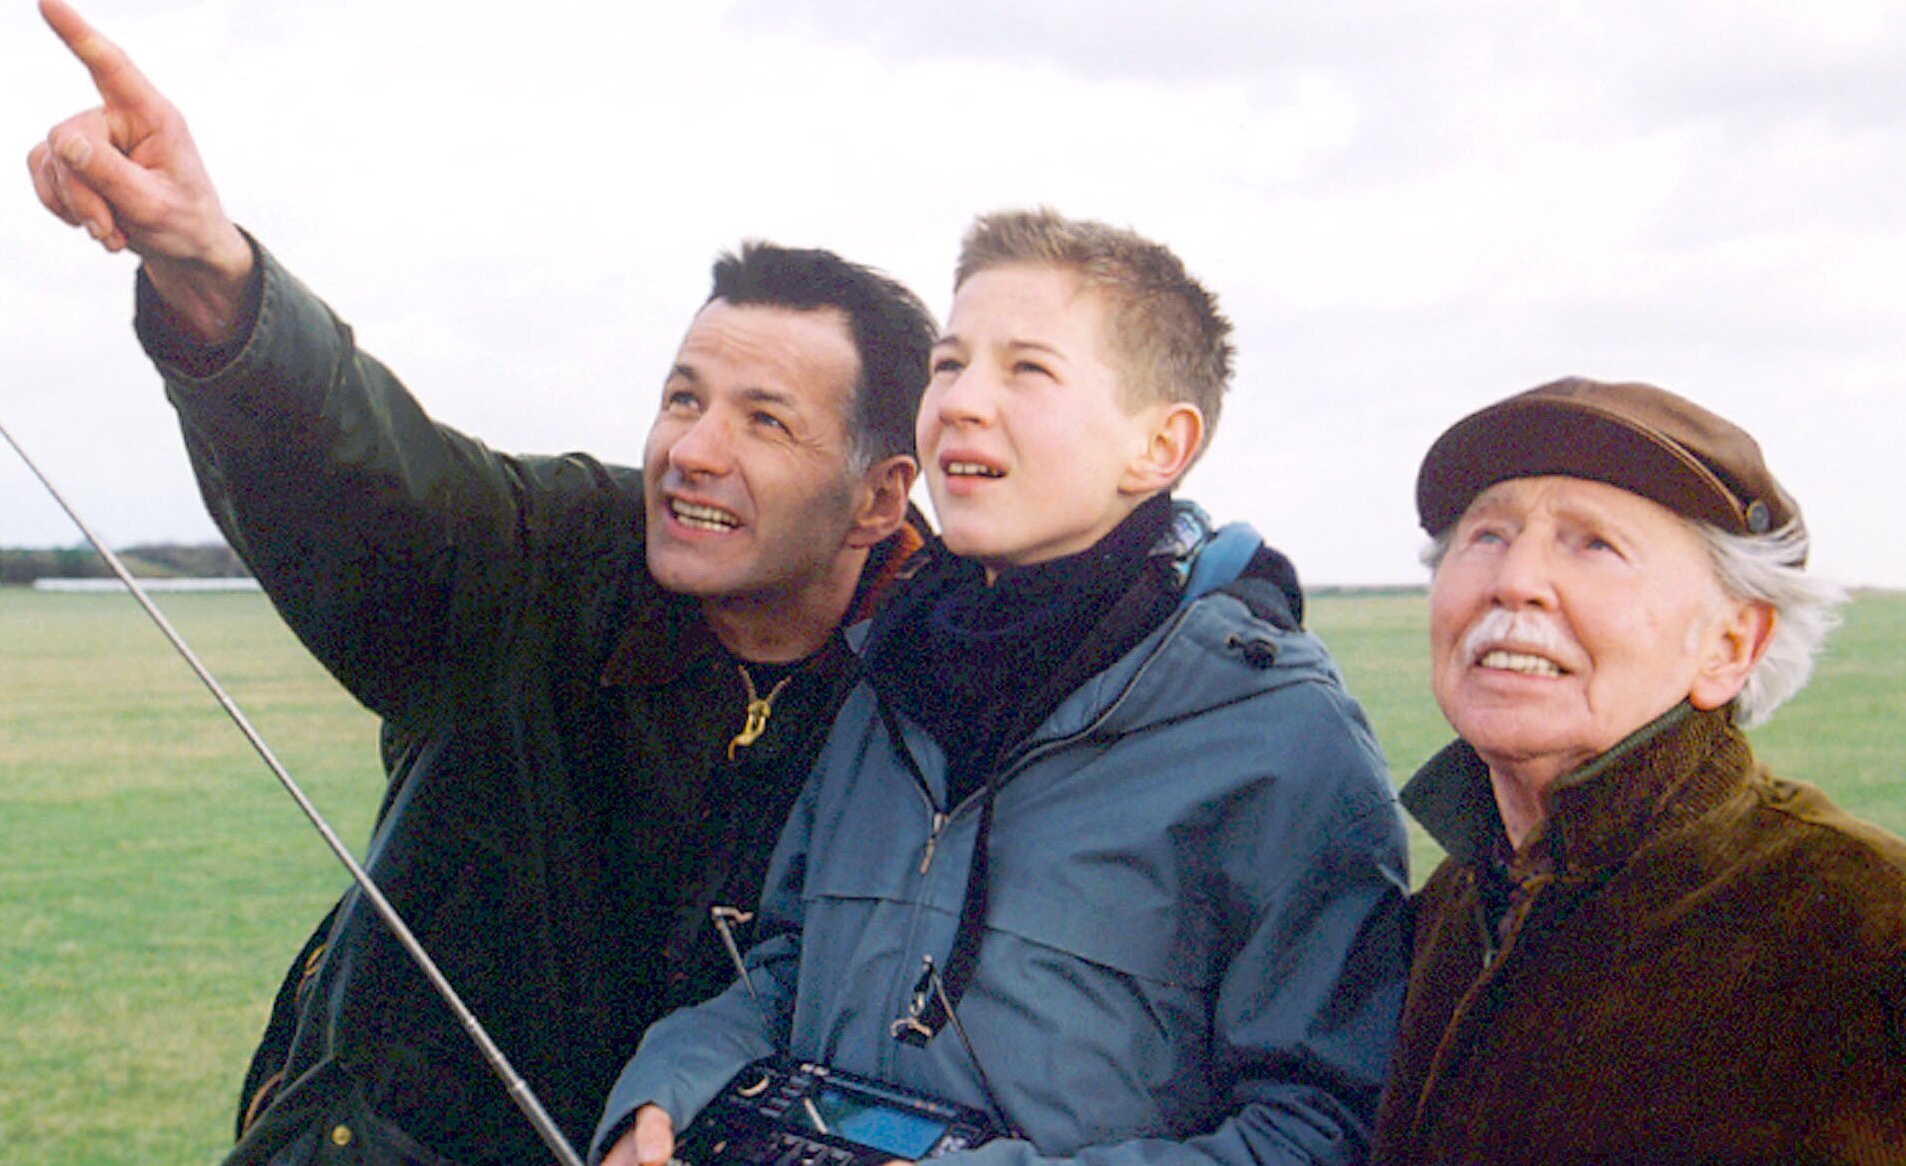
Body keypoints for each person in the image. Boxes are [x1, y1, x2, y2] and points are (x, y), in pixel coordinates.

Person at [26, 3, 938, 1163]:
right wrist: (211, 277)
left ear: (878, 496)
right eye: (683, 396)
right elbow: (372, 485)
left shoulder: (949, 694)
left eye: (765, 419)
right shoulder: (547, 557)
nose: (694, 449)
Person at [596, 208, 1413, 1166]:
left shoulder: (1277, 736)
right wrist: (668, 1091)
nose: (960, 401)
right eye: (949, 364)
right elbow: (784, 967)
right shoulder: (889, 673)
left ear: (1159, 446)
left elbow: (1321, 1130)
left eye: (1026, 370)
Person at [1369, 377, 1906, 1164]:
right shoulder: (1452, 908)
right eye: (1486, 535)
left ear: (1730, 647)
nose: (1513, 580)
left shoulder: (1889, 959)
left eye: (1594, 544)